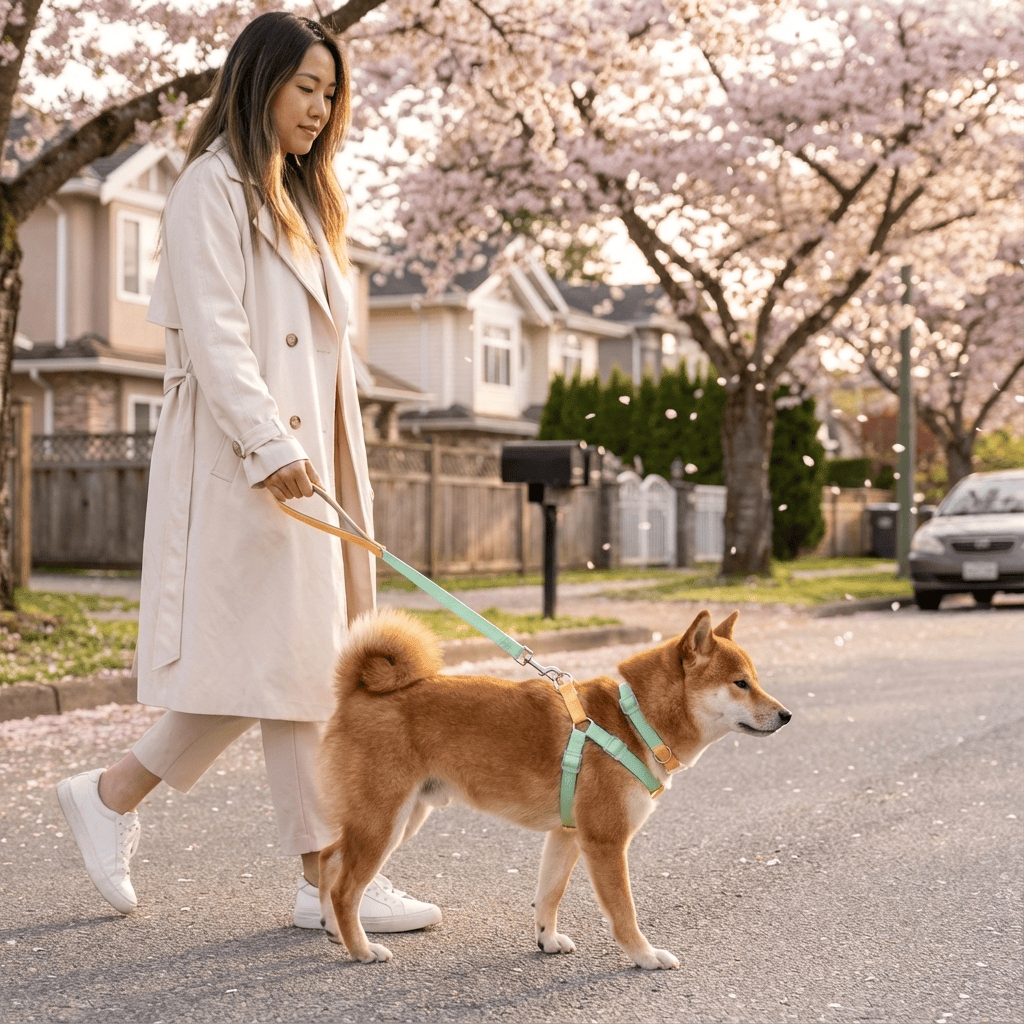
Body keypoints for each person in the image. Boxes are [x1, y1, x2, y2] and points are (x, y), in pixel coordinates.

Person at [55, 11, 440, 935]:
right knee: (296, 672)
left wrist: (313, 454)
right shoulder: (208, 190)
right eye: (306, 86)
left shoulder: (303, 201)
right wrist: (271, 449)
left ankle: (113, 798)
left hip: (307, 462)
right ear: (257, 82)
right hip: (247, 464)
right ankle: (325, 879)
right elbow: (221, 339)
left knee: (289, 671)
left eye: (331, 91)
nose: (322, 106)